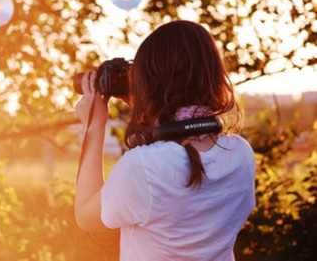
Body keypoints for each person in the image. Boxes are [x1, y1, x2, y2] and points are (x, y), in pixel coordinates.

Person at [74, 20, 256, 261]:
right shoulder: (241, 154)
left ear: (148, 82)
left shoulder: (145, 167)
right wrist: (148, 109)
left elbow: (86, 216)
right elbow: (176, 151)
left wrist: (93, 126)